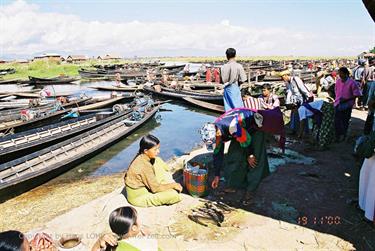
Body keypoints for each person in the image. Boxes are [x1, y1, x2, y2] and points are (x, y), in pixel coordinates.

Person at [210, 109, 270, 205]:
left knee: (254, 160)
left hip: (254, 127)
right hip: (241, 130)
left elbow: (246, 141)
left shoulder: (232, 127)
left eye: (214, 142)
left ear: (218, 134)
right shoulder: (215, 129)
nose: (215, 144)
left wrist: (250, 154)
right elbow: (217, 153)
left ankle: (250, 191)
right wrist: (217, 175)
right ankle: (233, 184)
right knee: (234, 156)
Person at [124, 135, 182, 207]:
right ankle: (166, 187)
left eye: (158, 148)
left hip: (146, 186)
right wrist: (173, 185)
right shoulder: (144, 165)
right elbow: (155, 189)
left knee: (157, 160)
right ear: (145, 151)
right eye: (155, 149)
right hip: (139, 197)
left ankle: (163, 182)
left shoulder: (141, 155)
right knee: (173, 195)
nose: (158, 151)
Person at [92, 206, 158, 251]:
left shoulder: (113, 246)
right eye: (138, 217)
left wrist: (99, 241)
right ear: (134, 228)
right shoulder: (147, 243)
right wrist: (149, 237)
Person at [280, 70, 313, 134]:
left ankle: (305, 132)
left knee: (303, 116)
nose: (282, 79)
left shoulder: (296, 79)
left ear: (286, 75)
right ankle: (295, 130)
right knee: (295, 114)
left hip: (304, 100)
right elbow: (291, 93)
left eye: (282, 77)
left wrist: (309, 98)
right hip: (297, 101)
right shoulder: (288, 83)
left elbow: (303, 89)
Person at [334, 67, 362, 141]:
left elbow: (357, 94)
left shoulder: (352, 83)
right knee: (337, 120)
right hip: (337, 103)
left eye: (341, 73)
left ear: (346, 74)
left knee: (345, 120)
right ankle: (338, 135)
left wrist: (347, 99)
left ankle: (344, 135)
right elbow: (336, 91)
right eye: (339, 73)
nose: (340, 75)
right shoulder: (338, 81)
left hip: (347, 104)